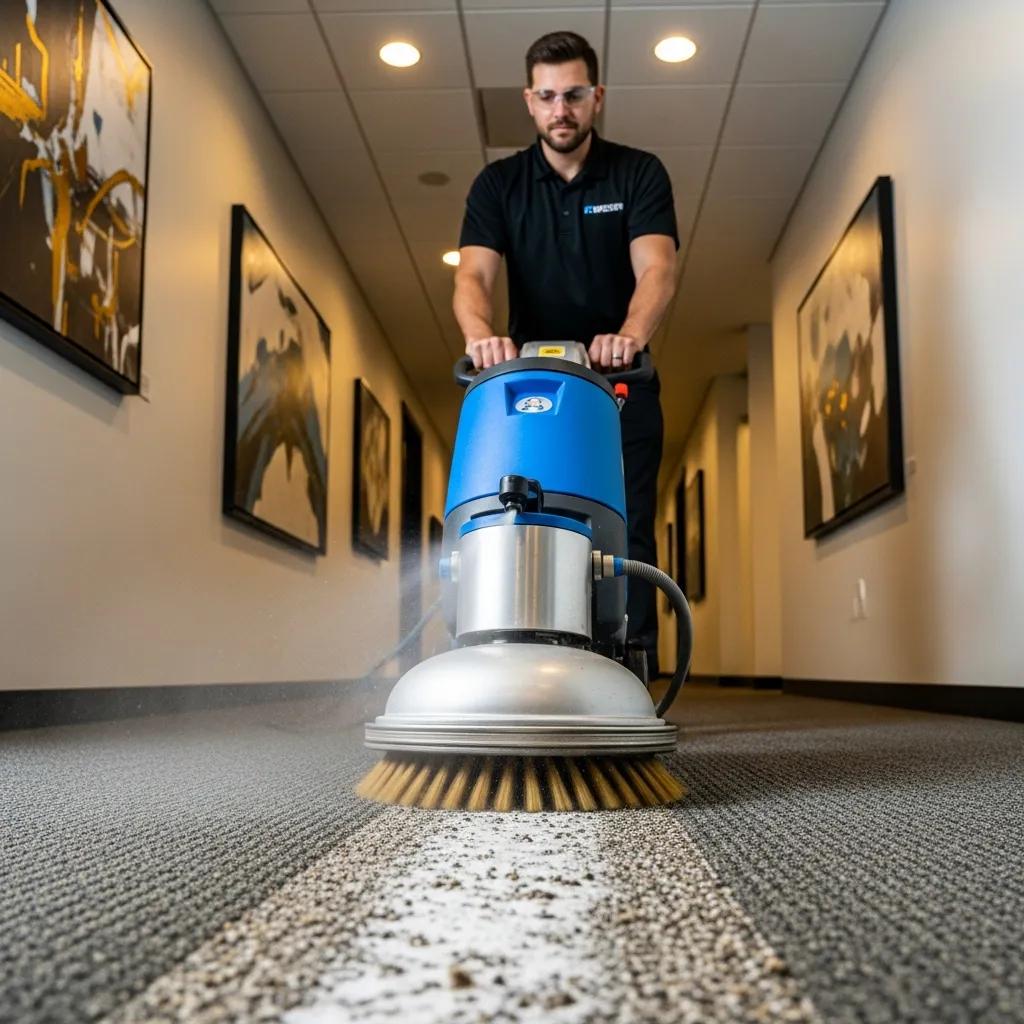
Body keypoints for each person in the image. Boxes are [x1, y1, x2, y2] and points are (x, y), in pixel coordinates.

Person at [453, 30, 678, 676]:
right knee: (522, 514)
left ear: (596, 96)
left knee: (626, 526)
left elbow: (657, 270)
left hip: (617, 378)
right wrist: (480, 335)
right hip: (529, 387)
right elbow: (471, 279)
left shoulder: (638, 173)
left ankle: (633, 669)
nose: (561, 110)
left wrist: (629, 335)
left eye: (574, 95)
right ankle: (523, 658)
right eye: (547, 96)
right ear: (529, 100)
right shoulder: (498, 186)